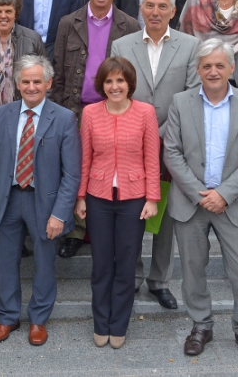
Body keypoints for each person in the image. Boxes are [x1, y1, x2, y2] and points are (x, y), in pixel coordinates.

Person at [163, 39, 238, 363]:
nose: (213, 71)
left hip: (232, 202)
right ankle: (201, 326)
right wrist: (199, 193)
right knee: (192, 269)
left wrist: (224, 193)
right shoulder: (180, 102)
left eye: (219, 65)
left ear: (231, 68)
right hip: (192, 202)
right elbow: (172, 152)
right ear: (198, 70)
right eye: (207, 66)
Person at [0, 55, 81, 347]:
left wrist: (59, 214)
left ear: (48, 83)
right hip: (8, 199)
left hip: (44, 203)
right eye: (26, 81)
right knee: (5, 262)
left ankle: (38, 319)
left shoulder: (63, 118)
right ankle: (7, 317)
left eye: (37, 81)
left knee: (45, 263)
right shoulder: (2, 115)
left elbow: (71, 173)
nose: (31, 87)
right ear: (17, 84)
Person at [110, 0, 201, 310]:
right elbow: (116, 91)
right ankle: (132, 276)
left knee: (166, 216)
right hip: (130, 143)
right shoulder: (122, 45)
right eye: (150, 5)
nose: (155, 12)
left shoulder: (191, 46)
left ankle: (160, 280)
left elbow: (191, 96)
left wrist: (160, 134)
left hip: (172, 144)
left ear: (173, 11)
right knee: (132, 212)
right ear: (141, 8)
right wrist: (138, 133)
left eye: (163, 6)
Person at [51, 0, 139, 258]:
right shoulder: (68, 23)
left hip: (112, 110)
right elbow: (59, 73)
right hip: (75, 109)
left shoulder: (130, 25)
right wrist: (60, 112)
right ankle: (76, 231)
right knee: (76, 169)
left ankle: (103, 228)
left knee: (108, 169)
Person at [75, 56, 160, 349]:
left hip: (133, 198)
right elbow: (85, 157)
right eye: (109, 81)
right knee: (101, 264)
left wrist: (152, 198)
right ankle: (101, 323)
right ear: (102, 85)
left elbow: (152, 157)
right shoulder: (90, 113)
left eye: (120, 80)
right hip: (98, 197)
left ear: (129, 84)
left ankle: (119, 325)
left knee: (126, 264)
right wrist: (81, 196)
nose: (115, 86)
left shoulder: (145, 112)